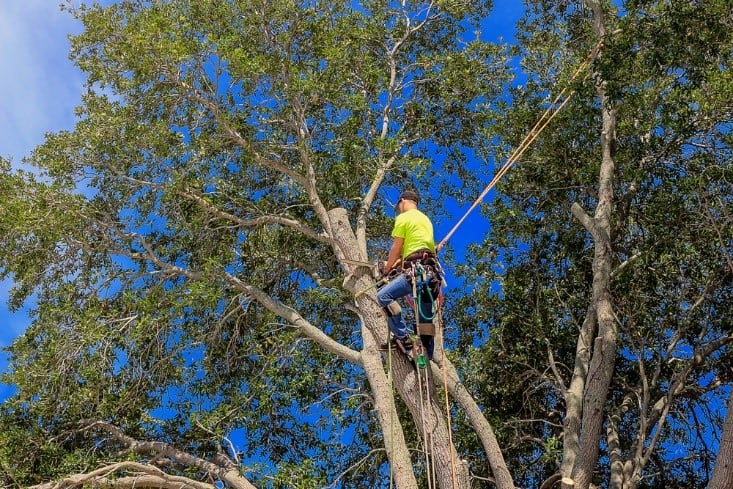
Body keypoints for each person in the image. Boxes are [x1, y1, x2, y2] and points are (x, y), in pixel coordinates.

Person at [377, 190, 442, 360]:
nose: (399, 210)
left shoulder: (403, 218)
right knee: (424, 324)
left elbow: (396, 249)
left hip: (417, 272)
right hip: (431, 275)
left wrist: (387, 269)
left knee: (383, 296)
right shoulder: (425, 220)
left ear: (403, 201)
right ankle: (426, 355)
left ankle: (402, 338)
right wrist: (398, 264)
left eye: (399, 206)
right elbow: (418, 248)